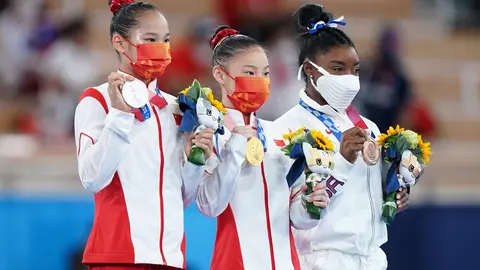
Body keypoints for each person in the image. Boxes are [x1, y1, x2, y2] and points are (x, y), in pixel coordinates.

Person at [74, 1, 213, 269]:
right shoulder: (97, 100)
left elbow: (181, 197)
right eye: (150, 39)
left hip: (170, 256)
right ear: (120, 43)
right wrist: (119, 115)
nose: (161, 48)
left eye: (166, 40)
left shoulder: (178, 108)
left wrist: (194, 162)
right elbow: (91, 178)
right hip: (119, 254)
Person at [274, 4, 410, 270]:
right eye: (338, 69)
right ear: (310, 70)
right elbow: (297, 216)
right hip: (322, 259)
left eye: (355, 70)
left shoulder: (368, 126)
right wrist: (342, 161)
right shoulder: (288, 129)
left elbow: (363, 195)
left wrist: (393, 193)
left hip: (372, 257)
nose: (349, 79)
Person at [195, 25, 330, 270]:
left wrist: (312, 204)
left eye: (265, 74)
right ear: (220, 75)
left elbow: (297, 218)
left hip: (286, 263)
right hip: (236, 261)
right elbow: (210, 206)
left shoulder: (280, 134)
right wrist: (235, 149)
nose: (260, 81)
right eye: (250, 72)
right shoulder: (209, 132)